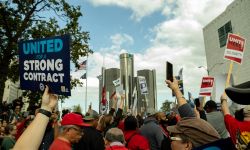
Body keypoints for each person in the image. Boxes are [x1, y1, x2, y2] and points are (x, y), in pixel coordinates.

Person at [13, 85, 58, 150]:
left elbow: (56, 139)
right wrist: (45, 109)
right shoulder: (30, 125)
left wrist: (47, 109)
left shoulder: (50, 127)